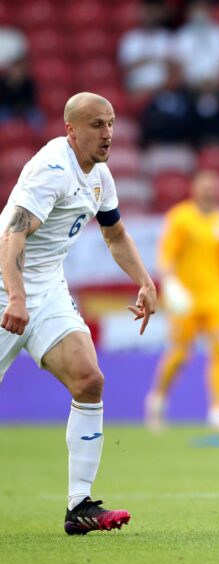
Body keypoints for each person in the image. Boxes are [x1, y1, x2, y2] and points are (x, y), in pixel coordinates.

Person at [0, 92, 157, 534]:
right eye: (96, 125)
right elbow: (12, 236)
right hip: (4, 284)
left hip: (46, 287)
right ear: (71, 130)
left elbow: (115, 234)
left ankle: (79, 505)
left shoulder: (100, 176)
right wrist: (15, 297)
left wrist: (144, 281)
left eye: (110, 124)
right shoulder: (51, 171)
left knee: (89, 380)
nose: (107, 133)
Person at [145, 171, 219, 433]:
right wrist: (171, 285)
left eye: (213, 187)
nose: (210, 192)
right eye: (205, 187)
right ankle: (158, 399)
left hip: (215, 297)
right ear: (194, 189)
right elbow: (166, 256)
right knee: (180, 354)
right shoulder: (180, 218)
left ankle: (218, 411)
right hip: (186, 298)